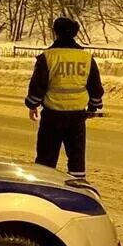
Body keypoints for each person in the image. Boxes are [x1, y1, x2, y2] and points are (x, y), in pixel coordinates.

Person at [24, 17, 104, 178]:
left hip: (52, 114)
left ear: (55, 32)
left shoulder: (47, 57)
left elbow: (38, 85)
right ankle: (78, 185)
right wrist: (93, 107)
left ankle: (44, 186)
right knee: (76, 156)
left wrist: (32, 104)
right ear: (75, 33)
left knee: (46, 156)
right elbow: (95, 86)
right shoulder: (86, 58)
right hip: (77, 115)